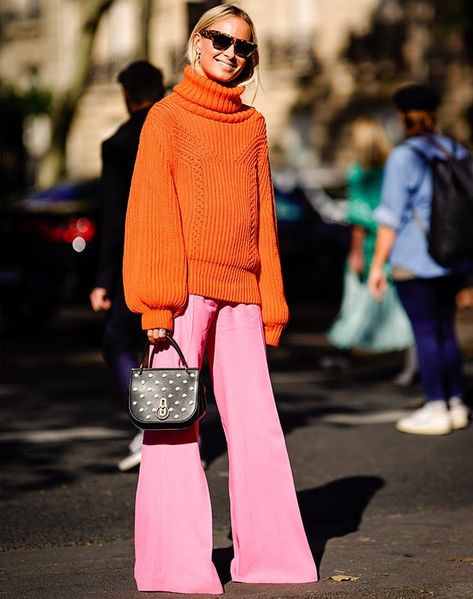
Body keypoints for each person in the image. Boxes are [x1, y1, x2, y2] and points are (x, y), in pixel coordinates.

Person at [122, 4, 318, 594]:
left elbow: (264, 218)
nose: (233, 53)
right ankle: (173, 566)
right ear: (198, 42)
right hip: (180, 294)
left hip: (243, 295)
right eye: (222, 40)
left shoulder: (253, 125)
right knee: (174, 429)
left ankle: (273, 559)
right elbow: (152, 213)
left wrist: (272, 301)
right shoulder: (165, 118)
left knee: (257, 426)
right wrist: (155, 306)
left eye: (245, 48)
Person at [368, 83, 471, 435]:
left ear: (402, 117)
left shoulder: (404, 156)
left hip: (415, 260)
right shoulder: (456, 150)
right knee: (446, 331)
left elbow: (390, 217)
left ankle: (434, 405)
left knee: (425, 333)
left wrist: (377, 265)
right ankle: (456, 402)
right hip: (454, 258)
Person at [89, 61, 165, 471]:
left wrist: (103, 279)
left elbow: (114, 215)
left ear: (126, 95)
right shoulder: (180, 128)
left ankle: (155, 427)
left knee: (118, 341)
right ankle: (174, 425)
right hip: (183, 255)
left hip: (135, 258)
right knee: (172, 343)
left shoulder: (118, 143)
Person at [327, 117, 414, 360]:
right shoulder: (391, 170)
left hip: (368, 245)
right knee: (396, 302)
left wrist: (355, 253)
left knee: (356, 302)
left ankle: (342, 348)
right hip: (394, 243)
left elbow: (358, 222)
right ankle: (410, 358)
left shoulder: (358, 173)